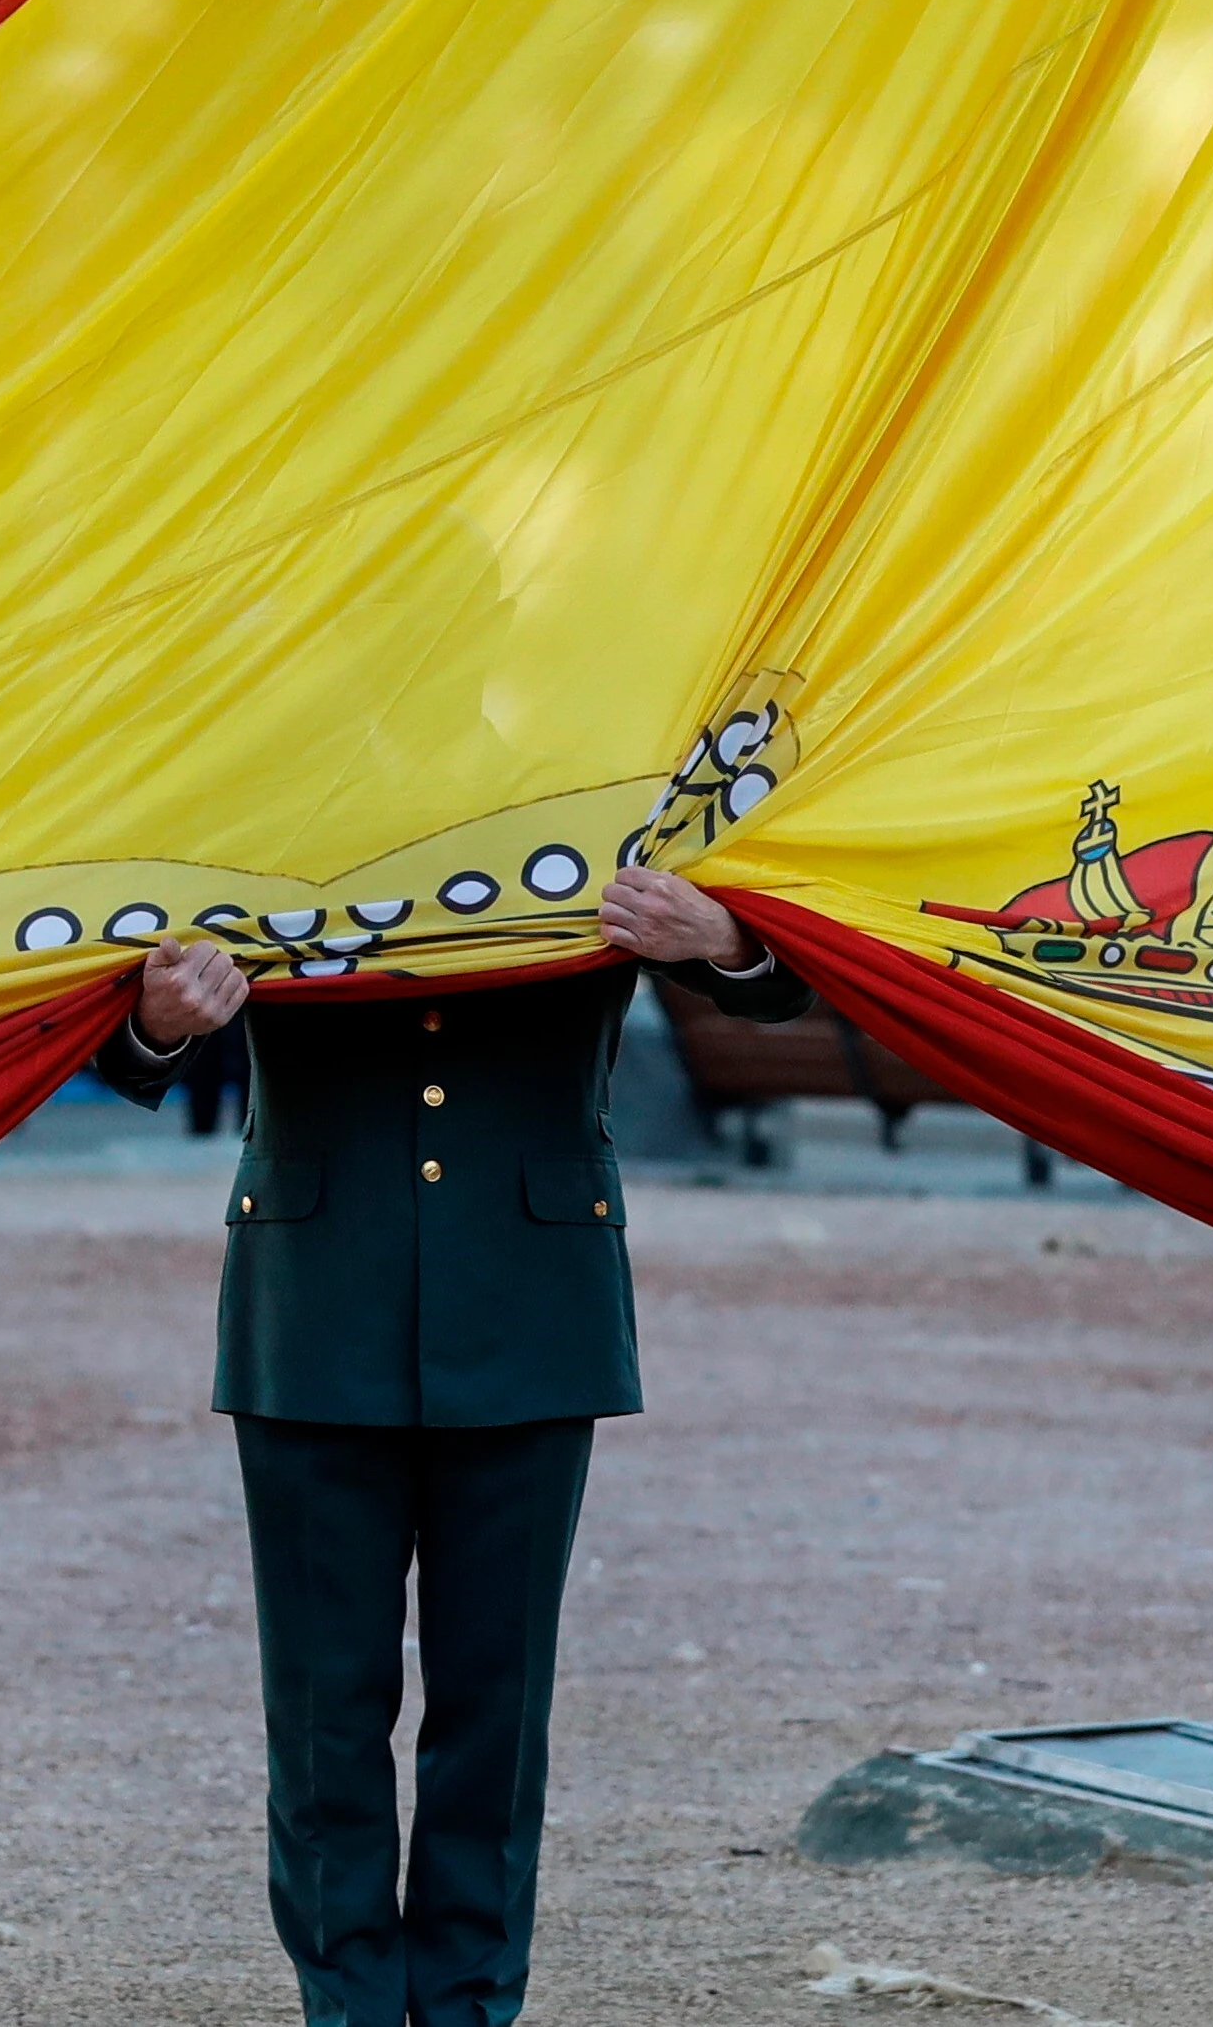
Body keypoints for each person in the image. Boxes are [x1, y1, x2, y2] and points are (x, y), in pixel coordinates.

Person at [95, 859, 814, 2027]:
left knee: (498, 1704)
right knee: (326, 1707)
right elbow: (120, 1038)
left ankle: (472, 2006)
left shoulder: (609, 799)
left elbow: (784, 993)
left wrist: (725, 937)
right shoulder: (271, 809)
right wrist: (158, 1022)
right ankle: (352, 2006)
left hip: (530, 1304)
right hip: (317, 1299)